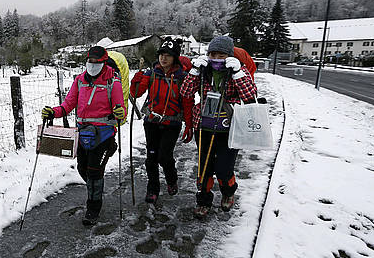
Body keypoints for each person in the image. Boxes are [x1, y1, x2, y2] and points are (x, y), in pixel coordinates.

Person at [42, 46, 126, 226]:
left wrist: (119, 112)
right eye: (90, 61)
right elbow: (67, 105)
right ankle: (96, 188)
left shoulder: (113, 82)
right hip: (83, 133)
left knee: (94, 172)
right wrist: (53, 113)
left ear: (104, 63)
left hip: (103, 135)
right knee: (83, 169)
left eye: (97, 62)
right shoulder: (79, 81)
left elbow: (121, 111)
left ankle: (93, 208)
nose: (93, 65)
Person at [179, 36, 258, 218]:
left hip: (229, 128)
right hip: (204, 126)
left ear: (229, 55)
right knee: (204, 167)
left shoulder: (238, 70)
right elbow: (185, 92)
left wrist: (237, 73)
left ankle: (228, 192)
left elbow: (249, 96)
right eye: (213, 54)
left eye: (221, 54)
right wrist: (194, 71)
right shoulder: (203, 71)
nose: (216, 58)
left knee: (223, 167)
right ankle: (204, 200)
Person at [129, 38, 194, 205]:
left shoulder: (182, 77)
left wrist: (189, 124)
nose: (163, 59)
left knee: (165, 157)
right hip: (151, 121)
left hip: (171, 124)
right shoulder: (151, 74)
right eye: (161, 55)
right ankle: (153, 189)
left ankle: (171, 180)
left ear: (175, 58)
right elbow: (136, 93)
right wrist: (136, 80)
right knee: (151, 158)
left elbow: (187, 102)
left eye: (168, 55)